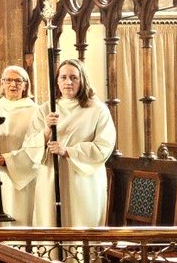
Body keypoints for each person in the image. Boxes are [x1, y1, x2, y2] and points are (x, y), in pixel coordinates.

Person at [33, 58, 117, 227]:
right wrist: (47, 130)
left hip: (83, 178)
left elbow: (104, 145)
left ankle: (82, 255)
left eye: (73, 77)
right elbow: (30, 146)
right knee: (52, 222)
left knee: (80, 223)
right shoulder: (45, 109)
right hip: (51, 176)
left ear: (82, 80)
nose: (68, 82)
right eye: (63, 77)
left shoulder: (97, 109)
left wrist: (68, 151)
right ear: (56, 81)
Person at [0, 65, 45, 229]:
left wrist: (8, 159)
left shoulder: (35, 111)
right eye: (8, 80)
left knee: (20, 216)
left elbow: (36, 145)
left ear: (25, 85)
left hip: (22, 174)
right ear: (1, 84)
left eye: (18, 81)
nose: (13, 85)